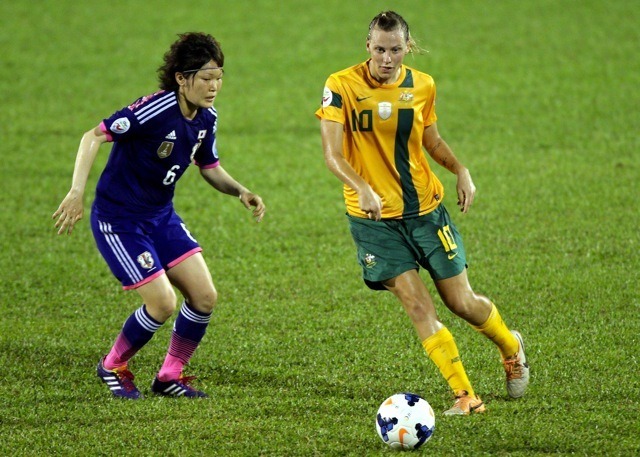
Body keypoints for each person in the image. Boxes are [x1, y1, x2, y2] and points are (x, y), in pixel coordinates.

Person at [316, 11, 529, 415]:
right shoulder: (340, 86)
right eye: (379, 49)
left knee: (461, 302)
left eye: (395, 50)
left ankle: (510, 346)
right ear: (367, 47)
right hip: (373, 220)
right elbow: (333, 154)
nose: (386, 58)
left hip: (426, 211)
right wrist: (362, 187)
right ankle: (466, 396)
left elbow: (431, 139)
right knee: (417, 305)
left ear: (406, 48)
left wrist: (460, 169)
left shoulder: (423, 85)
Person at [53, 32, 266, 399]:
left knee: (204, 297)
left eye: (219, 77)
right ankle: (112, 365)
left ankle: (169, 375)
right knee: (163, 303)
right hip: (118, 220)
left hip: (160, 216)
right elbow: (93, 136)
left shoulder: (206, 117)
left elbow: (209, 165)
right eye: (206, 78)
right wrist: (76, 192)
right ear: (182, 79)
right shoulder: (154, 110)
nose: (214, 86)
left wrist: (240, 191)